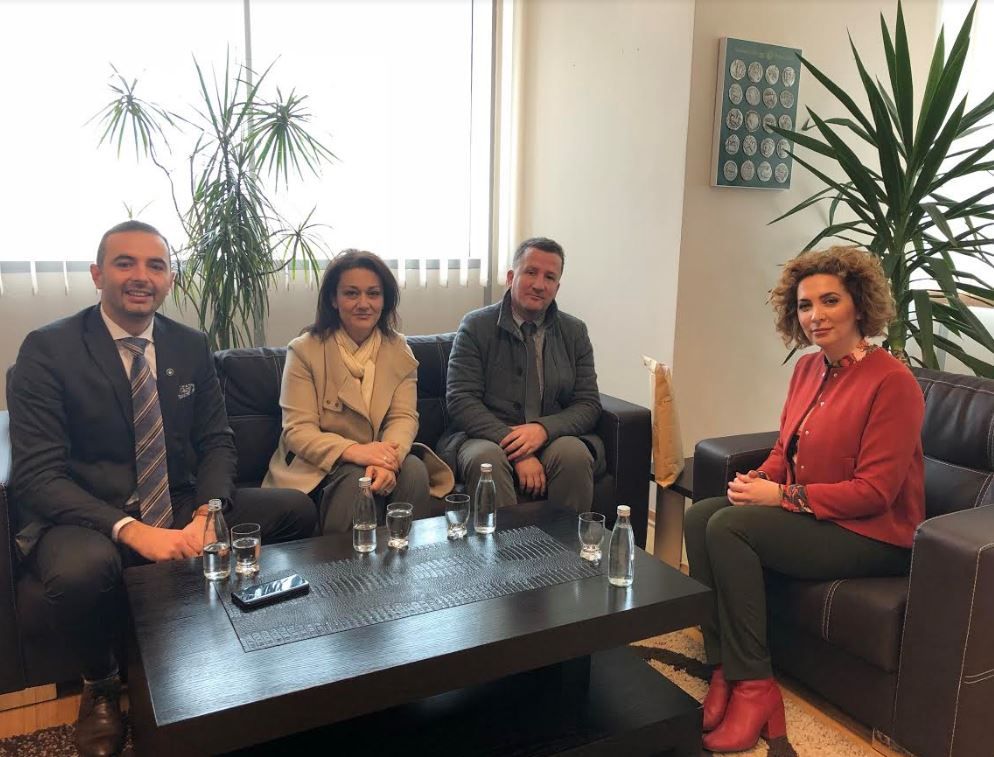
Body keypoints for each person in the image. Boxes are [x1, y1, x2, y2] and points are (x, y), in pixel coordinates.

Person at [6, 220, 317, 757]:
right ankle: (101, 683)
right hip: (88, 512)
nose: (141, 276)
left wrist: (208, 512)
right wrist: (131, 530)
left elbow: (216, 440)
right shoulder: (48, 349)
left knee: (296, 511)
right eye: (125, 263)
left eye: (156, 265)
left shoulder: (189, 344)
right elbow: (38, 475)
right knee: (80, 572)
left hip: (178, 498)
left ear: (170, 278)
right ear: (97, 274)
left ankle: (247, 636)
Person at [684, 246, 925, 753]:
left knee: (729, 527)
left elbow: (875, 492)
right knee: (701, 515)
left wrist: (781, 496)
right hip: (819, 516)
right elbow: (784, 449)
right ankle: (723, 667)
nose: (816, 315)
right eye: (805, 305)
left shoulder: (894, 382)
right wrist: (758, 480)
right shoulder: (808, 369)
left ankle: (756, 687)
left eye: (830, 301)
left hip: (874, 534)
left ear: (859, 304)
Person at [264, 249, 452, 534]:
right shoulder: (304, 350)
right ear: (333, 299)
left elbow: (403, 418)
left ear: (384, 300)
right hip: (318, 468)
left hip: (380, 455)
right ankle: (341, 562)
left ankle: (409, 559)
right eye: (351, 293)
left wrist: (387, 462)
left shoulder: (398, 349)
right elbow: (298, 431)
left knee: (413, 469)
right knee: (356, 478)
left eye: (373, 294)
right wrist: (357, 452)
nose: (363, 304)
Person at [438, 237, 604, 511]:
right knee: (487, 460)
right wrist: (518, 451)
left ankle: (565, 540)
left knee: (573, 454)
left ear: (557, 287)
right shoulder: (476, 326)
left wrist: (543, 429)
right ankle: (504, 542)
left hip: (551, 437)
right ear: (511, 277)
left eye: (549, 277)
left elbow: (588, 404)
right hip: (485, 436)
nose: (539, 284)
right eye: (531, 272)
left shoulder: (575, 332)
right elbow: (461, 400)